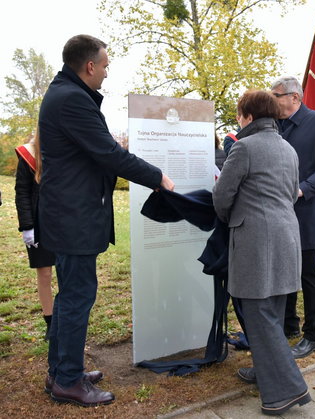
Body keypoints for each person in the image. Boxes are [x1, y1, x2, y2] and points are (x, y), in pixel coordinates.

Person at [38, 34, 175, 407]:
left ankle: (62, 370)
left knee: (71, 298)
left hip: (69, 216)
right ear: (90, 66)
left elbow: (102, 152)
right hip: (74, 218)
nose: (107, 73)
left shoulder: (65, 95)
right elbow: (109, 154)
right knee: (78, 297)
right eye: (106, 65)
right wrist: (158, 177)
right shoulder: (72, 101)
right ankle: (67, 379)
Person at [213, 90, 310, 416]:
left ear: (249, 116)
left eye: (239, 114)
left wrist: (234, 218)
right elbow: (290, 193)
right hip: (286, 237)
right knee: (272, 312)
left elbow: (221, 197)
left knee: (259, 315)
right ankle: (265, 371)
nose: (238, 120)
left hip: (257, 242)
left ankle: (286, 390)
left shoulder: (244, 147)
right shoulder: (288, 148)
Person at [270, 76, 315, 359]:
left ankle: (313, 335)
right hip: (277, 211)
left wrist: (304, 188)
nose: (271, 100)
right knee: (282, 270)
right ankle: (289, 325)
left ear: (294, 97)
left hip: (306, 211)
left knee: (307, 273)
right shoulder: (274, 124)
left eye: (275, 95)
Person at [15, 133, 55, 340]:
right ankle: (50, 321)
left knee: (67, 273)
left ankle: (65, 318)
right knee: (45, 273)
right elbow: (21, 192)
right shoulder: (28, 153)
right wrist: (27, 226)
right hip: (38, 223)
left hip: (65, 221)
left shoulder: (67, 147)